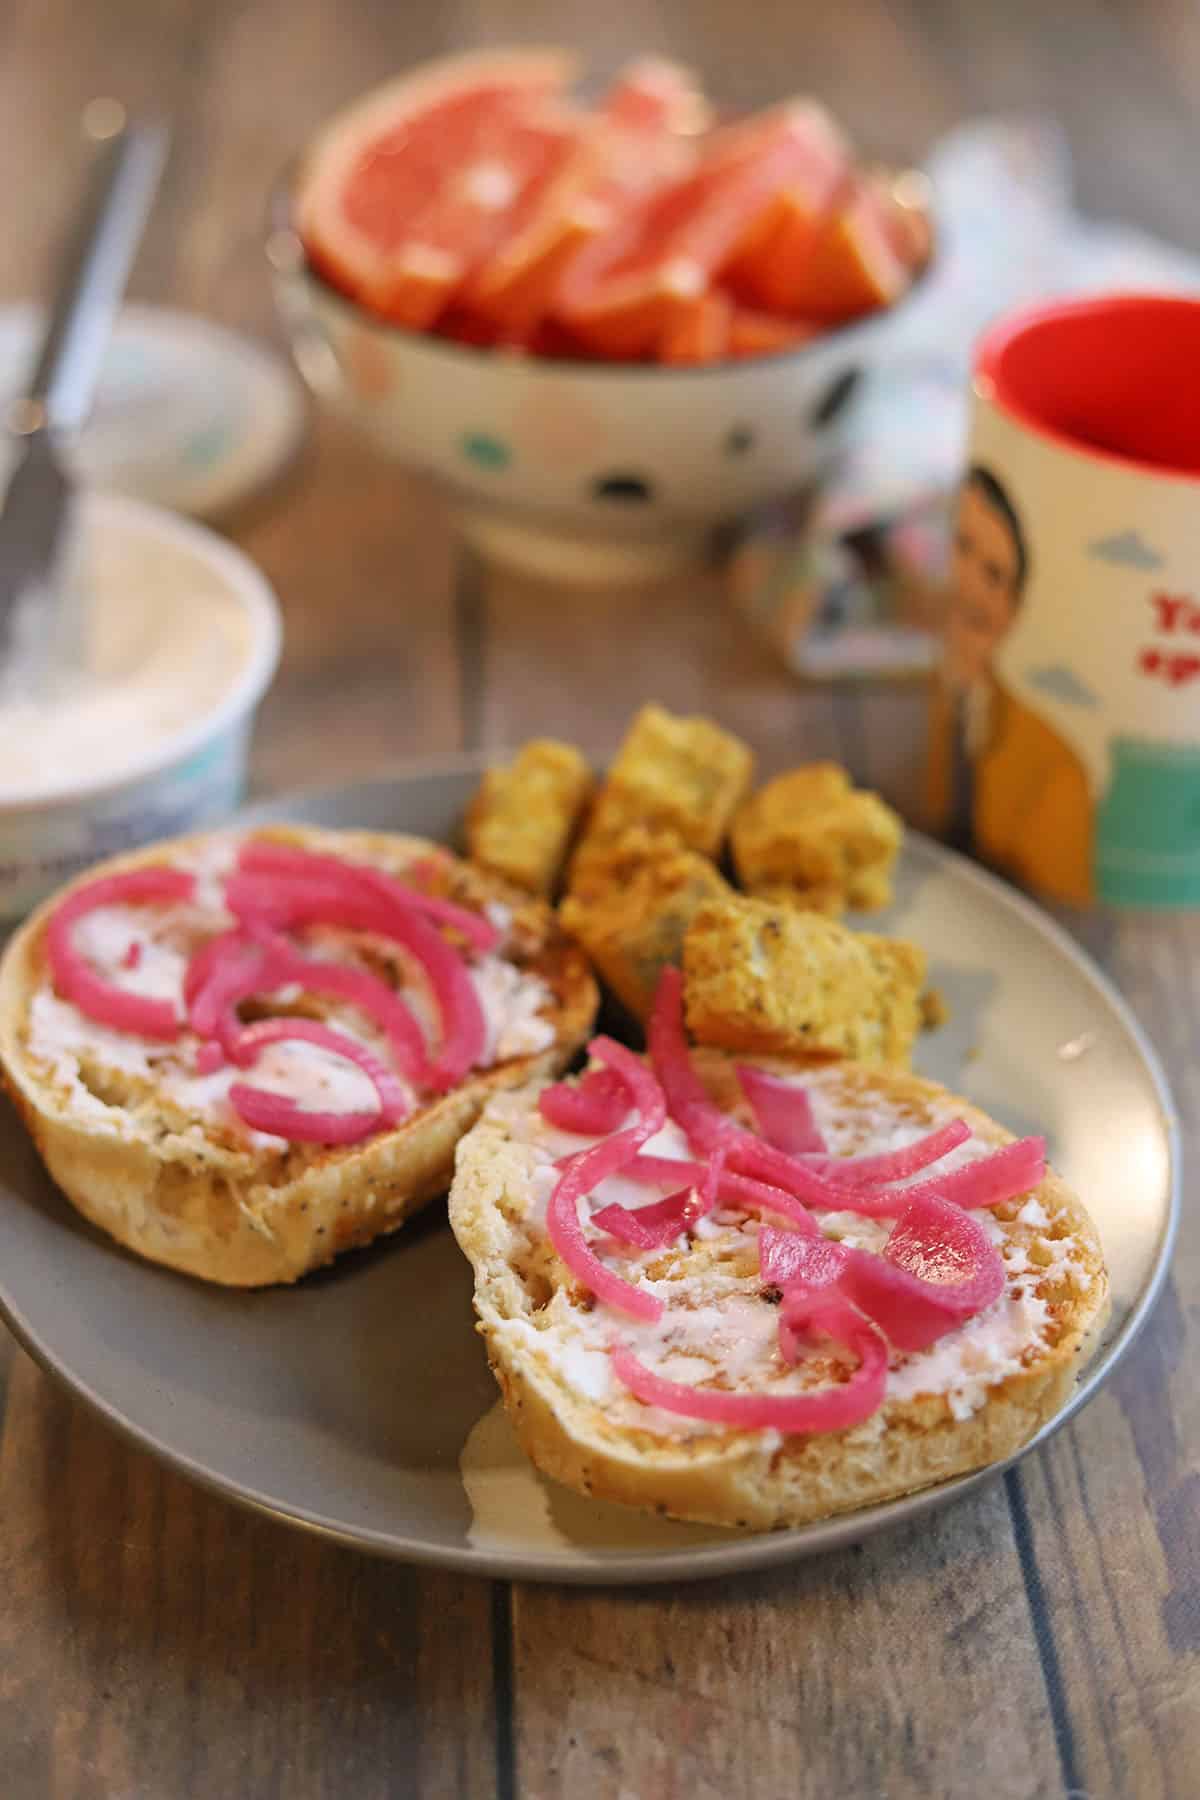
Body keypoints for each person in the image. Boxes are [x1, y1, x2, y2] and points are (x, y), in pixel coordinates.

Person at [925, 465, 1093, 904]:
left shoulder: (1059, 774)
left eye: (995, 575)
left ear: (1015, 608)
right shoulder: (951, 719)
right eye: (962, 547)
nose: (970, 587)